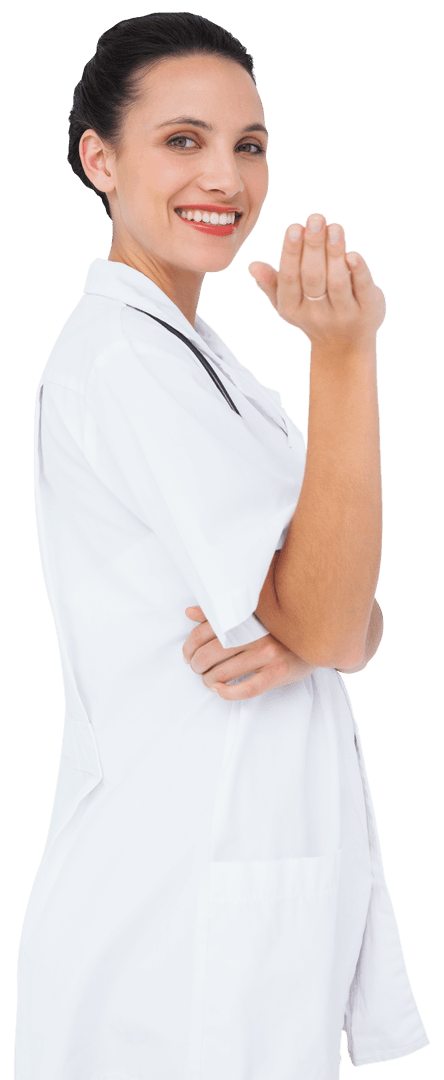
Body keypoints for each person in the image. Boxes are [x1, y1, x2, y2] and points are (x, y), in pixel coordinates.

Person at [14, 11, 430, 1079]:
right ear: (98, 159)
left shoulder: (204, 362)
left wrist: (323, 631)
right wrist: (344, 356)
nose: (229, 177)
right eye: (183, 140)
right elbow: (331, 608)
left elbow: (337, 606)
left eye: (250, 145)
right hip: (171, 928)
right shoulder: (124, 361)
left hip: (224, 907)